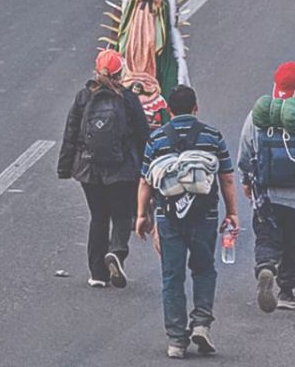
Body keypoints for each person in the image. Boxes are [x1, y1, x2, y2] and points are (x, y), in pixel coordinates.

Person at [135, 85, 239, 358]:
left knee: (172, 276)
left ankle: (176, 340)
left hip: (168, 217)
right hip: (204, 215)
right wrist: (232, 212)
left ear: (169, 110)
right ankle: (202, 324)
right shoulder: (212, 136)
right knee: (204, 269)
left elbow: (146, 181)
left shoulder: (157, 138)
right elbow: (226, 177)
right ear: (196, 108)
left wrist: (141, 215)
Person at [237, 61, 295, 313]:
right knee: (293, 242)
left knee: (266, 235)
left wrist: (246, 181)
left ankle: (266, 266)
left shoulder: (257, 117)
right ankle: (287, 291)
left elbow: (245, 152)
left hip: (265, 194)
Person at [58, 49, 151, 289]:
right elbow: (143, 134)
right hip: (122, 169)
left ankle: (97, 273)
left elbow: (70, 134)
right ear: (121, 73)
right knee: (121, 215)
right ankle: (117, 253)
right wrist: (146, 167)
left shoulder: (83, 97)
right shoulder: (128, 99)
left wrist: (65, 167)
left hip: (88, 170)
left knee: (98, 217)